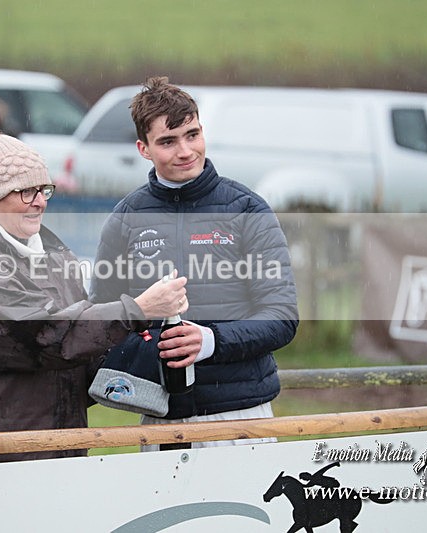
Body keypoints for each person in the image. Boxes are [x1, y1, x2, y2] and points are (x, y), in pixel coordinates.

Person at [0, 125, 188, 533]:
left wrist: (155, 351)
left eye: (44, 190)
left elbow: (80, 347)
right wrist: (135, 309)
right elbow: (43, 339)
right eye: (26, 191)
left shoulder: (53, 252)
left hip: (46, 452)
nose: (39, 202)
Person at [89, 76, 299, 450]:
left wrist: (210, 341)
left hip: (241, 415)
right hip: (159, 417)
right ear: (144, 148)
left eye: (192, 134)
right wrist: (143, 337)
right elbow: (101, 320)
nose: (185, 151)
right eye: (168, 142)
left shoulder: (247, 208)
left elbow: (282, 317)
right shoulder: (125, 218)